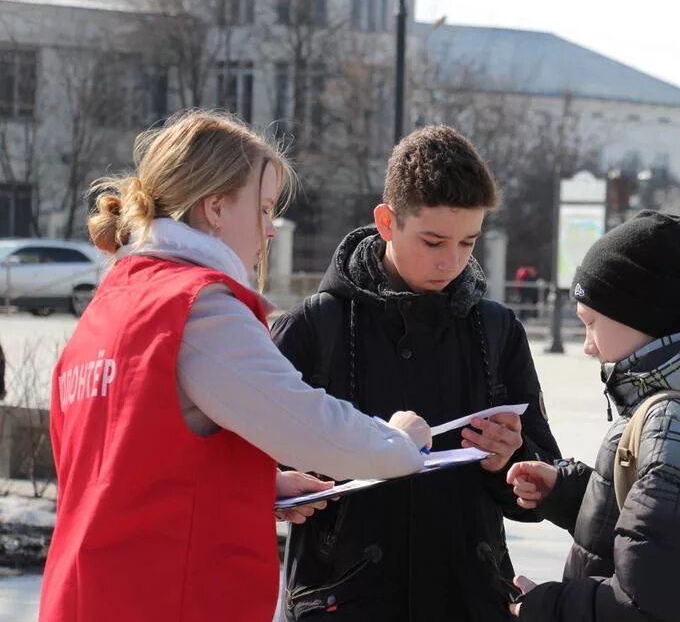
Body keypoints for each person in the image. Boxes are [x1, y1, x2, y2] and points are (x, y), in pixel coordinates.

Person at [39, 110, 432, 622]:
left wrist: (253, 485)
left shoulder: (114, 302)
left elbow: (126, 463)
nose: (270, 230)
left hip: (89, 592)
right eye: (265, 209)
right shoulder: (199, 308)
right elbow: (310, 426)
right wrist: (399, 442)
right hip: (169, 600)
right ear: (216, 207)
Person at [272, 125, 561, 621]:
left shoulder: (496, 330)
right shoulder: (314, 327)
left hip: (467, 600)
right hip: (344, 602)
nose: (451, 261)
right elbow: (236, 471)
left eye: (468, 242)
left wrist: (510, 459)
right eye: (433, 241)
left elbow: (538, 493)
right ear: (386, 222)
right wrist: (277, 486)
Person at [506, 210, 680, 622]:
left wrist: (541, 607)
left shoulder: (672, 427)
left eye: (591, 324)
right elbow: (663, 530)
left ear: (636, 316)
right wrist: (570, 494)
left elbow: (647, 608)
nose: (587, 346)